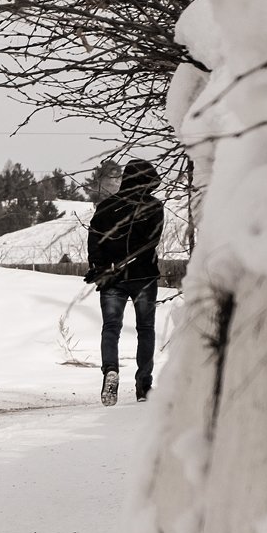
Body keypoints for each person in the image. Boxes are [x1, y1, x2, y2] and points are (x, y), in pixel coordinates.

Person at [85, 159, 164, 406]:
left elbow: (94, 240)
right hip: (144, 276)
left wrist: (100, 268)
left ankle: (111, 370)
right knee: (145, 329)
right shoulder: (154, 207)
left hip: (112, 279)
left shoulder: (106, 207)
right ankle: (143, 385)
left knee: (111, 328)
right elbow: (152, 241)